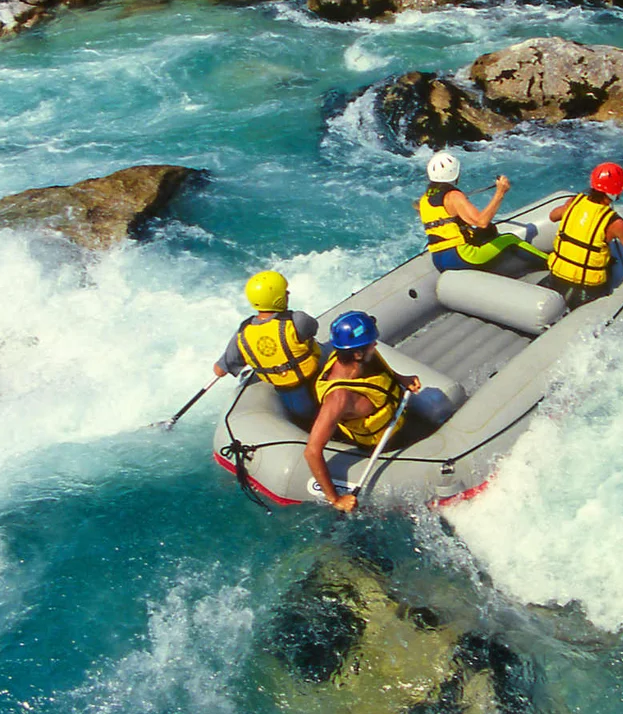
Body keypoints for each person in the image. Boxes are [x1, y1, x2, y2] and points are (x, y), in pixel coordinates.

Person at [305, 310, 422, 513]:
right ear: (357, 353)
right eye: (371, 343)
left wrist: (401, 378)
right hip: (384, 443)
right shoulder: (338, 398)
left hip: (398, 419)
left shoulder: (357, 358)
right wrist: (335, 499)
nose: (375, 345)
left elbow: (379, 373)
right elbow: (312, 451)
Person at [543, 161, 623, 309]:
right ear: (617, 191)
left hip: (557, 277)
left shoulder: (573, 202)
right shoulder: (615, 224)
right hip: (587, 289)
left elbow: (553, 216)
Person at [214, 270, 321, 426]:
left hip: (286, 396)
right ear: (278, 299)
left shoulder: (243, 334)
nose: (288, 293)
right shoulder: (297, 320)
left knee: (305, 421)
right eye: (285, 292)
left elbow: (219, 370)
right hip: (314, 383)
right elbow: (313, 329)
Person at [418, 150, 546, 276]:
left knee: (488, 231)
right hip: (461, 256)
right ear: (455, 174)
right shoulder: (454, 196)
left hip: (438, 260)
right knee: (510, 239)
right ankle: (551, 263)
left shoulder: (423, 200)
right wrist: (500, 192)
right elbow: (481, 222)